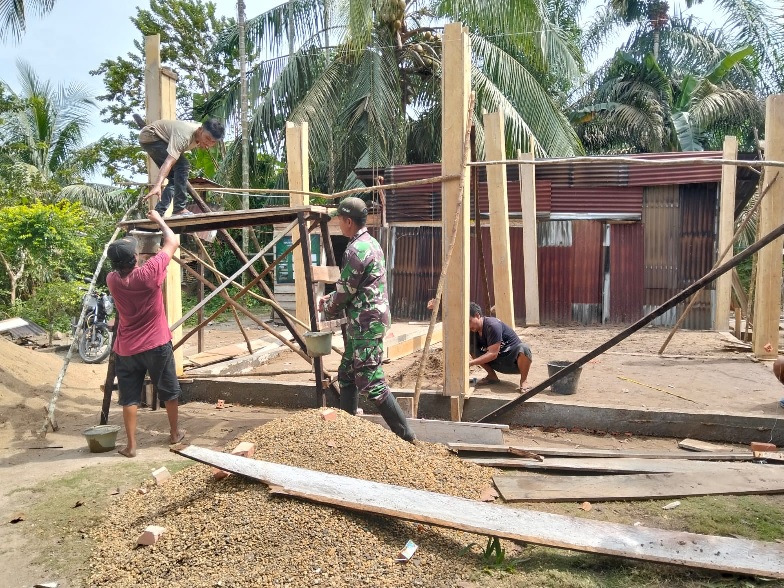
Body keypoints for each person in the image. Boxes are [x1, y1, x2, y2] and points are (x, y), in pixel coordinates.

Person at [318, 197, 415, 442]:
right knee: (347, 373)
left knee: (371, 380)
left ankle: (406, 437)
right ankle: (347, 432)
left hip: (365, 322)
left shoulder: (354, 249)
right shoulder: (371, 243)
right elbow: (355, 285)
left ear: (348, 221)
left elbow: (346, 291)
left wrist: (328, 306)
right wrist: (333, 298)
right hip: (371, 317)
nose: (339, 223)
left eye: (340, 219)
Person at [106, 210, 185, 457]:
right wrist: (160, 221)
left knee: (129, 398)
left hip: (127, 349)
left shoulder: (112, 280)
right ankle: (174, 434)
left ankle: (131, 446)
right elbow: (172, 241)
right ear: (136, 258)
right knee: (168, 390)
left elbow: (125, 265)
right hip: (156, 343)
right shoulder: (148, 274)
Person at [139, 118, 225, 216]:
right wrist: (158, 185)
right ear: (200, 130)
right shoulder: (184, 135)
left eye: (213, 142)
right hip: (152, 137)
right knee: (183, 165)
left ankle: (158, 212)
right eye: (207, 138)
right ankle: (179, 209)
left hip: (159, 139)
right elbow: (169, 162)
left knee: (175, 178)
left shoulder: (198, 136)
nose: (208, 143)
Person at [468, 301, 533, 391]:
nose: (468, 326)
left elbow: (493, 353)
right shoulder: (472, 331)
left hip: (513, 362)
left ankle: (524, 381)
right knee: (471, 348)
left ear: (477, 315)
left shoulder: (492, 325)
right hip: (497, 363)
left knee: (524, 348)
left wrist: (471, 363)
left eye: (469, 321)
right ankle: (492, 376)